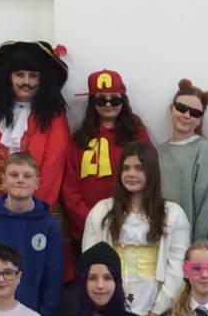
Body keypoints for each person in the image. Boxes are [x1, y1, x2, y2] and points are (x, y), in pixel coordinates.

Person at [82, 139, 190, 316]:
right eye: (126, 168)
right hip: (110, 304)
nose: (131, 174)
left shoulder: (173, 214)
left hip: (156, 304)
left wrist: (157, 312)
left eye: (139, 168)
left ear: (152, 172)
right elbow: (90, 263)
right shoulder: (101, 211)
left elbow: (177, 268)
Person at [0, 151, 63, 315]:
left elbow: (53, 280)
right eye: (14, 175)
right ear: (3, 181)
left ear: (36, 183)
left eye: (27, 176)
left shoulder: (49, 225)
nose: (20, 180)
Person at [0, 40, 71, 212]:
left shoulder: (55, 117)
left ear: (42, 80)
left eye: (33, 75)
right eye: (19, 75)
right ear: (9, 78)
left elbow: (52, 172)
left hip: (35, 211)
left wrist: (33, 211)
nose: (26, 81)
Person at [64, 68, 150, 243]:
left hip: (131, 229)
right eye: (101, 100)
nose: (108, 105)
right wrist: (93, 222)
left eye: (115, 99)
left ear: (123, 101)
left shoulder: (137, 134)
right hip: (87, 229)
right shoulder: (78, 140)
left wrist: (130, 221)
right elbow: (70, 189)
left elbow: (149, 174)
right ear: (92, 103)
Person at [158, 79, 208, 241]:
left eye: (195, 113)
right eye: (181, 108)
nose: (186, 115)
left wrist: (199, 246)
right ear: (171, 109)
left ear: (200, 119)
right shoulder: (157, 152)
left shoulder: (205, 151)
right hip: (158, 239)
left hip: (189, 241)